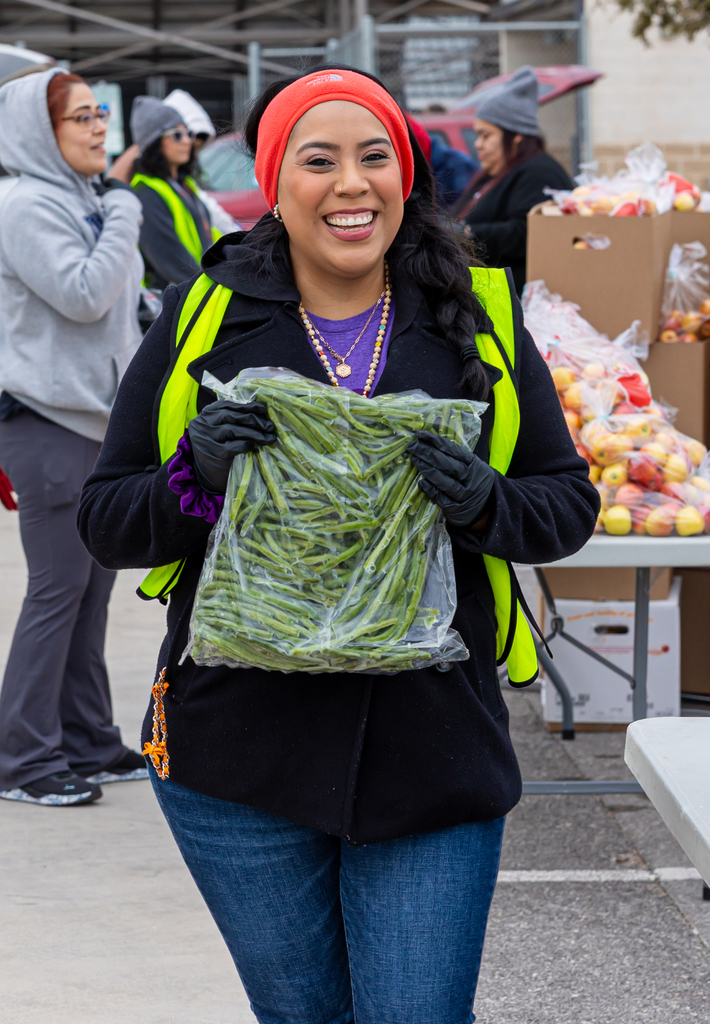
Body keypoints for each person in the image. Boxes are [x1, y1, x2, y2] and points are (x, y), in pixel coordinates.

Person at [78, 66, 598, 1022]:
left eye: (375, 157)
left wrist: (485, 503)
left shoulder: (473, 318)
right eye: (319, 161)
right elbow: (107, 520)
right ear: (277, 182)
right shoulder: (209, 318)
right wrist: (195, 475)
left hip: (431, 755)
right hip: (239, 758)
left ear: (407, 175)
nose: (351, 184)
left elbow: (565, 505)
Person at [0, 68, 146, 807]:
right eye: (82, 118)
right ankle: (22, 760)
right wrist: (126, 211)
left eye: (99, 114)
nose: (99, 129)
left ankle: (88, 739)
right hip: (49, 422)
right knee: (58, 592)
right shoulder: (26, 205)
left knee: (91, 592)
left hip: (93, 420)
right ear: (40, 133)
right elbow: (84, 297)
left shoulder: (82, 200)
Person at [454, 65, 574, 295]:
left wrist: (468, 233)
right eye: (477, 135)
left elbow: (528, 232)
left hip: (518, 303)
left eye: (486, 135)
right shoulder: (500, 171)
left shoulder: (539, 173)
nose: (478, 144)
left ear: (516, 136)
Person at [128, 96, 216, 290]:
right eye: (177, 135)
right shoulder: (146, 194)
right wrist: (211, 289)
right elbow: (171, 260)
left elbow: (210, 235)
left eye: (188, 133)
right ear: (154, 142)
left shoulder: (183, 185)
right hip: (167, 306)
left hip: (194, 293)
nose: (187, 141)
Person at [164, 88, 241, 235]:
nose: (189, 151)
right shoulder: (153, 186)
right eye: (180, 137)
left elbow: (215, 217)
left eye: (198, 148)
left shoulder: (183, 183)